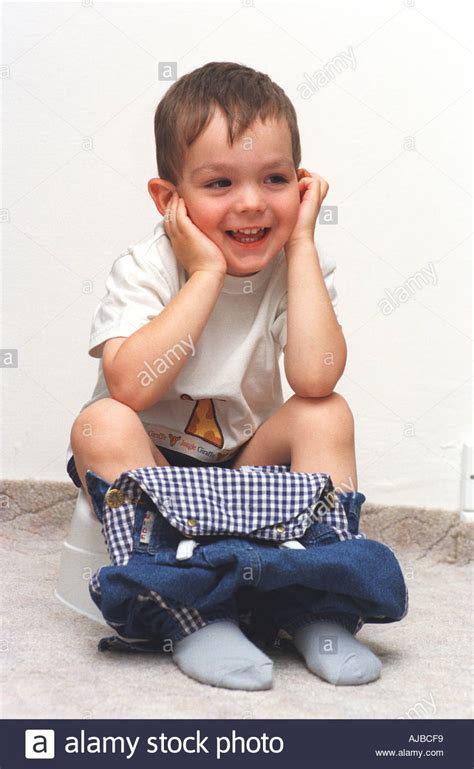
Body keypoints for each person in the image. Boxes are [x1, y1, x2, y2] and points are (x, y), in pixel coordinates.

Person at [66, 61, 407, 691]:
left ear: (302, 188)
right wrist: (206, 276)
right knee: (100, 422)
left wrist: (302, 247)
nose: (252, 202)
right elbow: (132, 389)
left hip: (245, 472)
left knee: (325, 411)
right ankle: (189, 611)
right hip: (153, 468)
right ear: (171, 200)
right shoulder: (146, 267)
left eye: (274, 179)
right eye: (219, 183)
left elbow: (314, 376)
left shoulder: (294, 264)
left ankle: (317, 605)